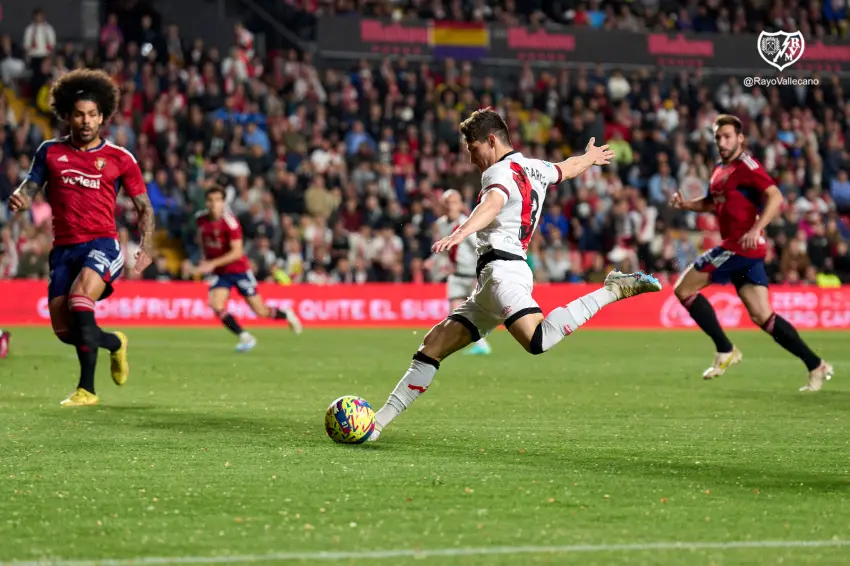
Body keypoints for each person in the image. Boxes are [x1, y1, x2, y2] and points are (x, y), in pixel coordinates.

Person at [368, 108, 662, 442]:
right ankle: (375, 425)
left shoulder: (498, 173)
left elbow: (492, 204)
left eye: (473, 148)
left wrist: (461, 231)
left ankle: (612, 290)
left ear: (491, 141)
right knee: (431, 346)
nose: (471, 157)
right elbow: (567, 169)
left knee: (538, 340)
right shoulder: (536, 167)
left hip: (503, 273)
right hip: (493, 280)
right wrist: (588, 157)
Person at [9, 68, 155, 407]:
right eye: (79, 114)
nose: (86, 120)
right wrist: (22, 197)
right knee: (65, 331)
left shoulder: (121, 158)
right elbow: (31, 184)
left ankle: (86, 390)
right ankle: (115, 344)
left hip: (103, 243)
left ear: (102, 117)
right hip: (63, 250)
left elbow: (144, 206)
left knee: (80, 299)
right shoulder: (49, 152)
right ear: (68, 116)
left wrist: (145, 246)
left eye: (92, 114)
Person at [670, 114, 832, 391]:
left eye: (728, 136)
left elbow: (775, 196)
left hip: (739, 247)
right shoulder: (720, 169)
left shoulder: (747, 165)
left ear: (740, 138)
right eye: (718, 137)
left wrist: (757, 227)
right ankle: (816, 366)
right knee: (762, 316)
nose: (722, 141)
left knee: (683, 290)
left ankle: (725, 349)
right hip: (744, 250)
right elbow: (713, 203)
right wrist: (686, 206)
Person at [195, 185, 302, 351]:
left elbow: (237, 252)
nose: (213, 204)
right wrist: (205, 259)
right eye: (210, 200)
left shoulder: (230, 223)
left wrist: (212, 263)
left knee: (261, 312)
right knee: (216, 305)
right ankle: (245, 336)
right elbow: (203, 239)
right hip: (221, 273)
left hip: (239, 271)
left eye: (217, 200)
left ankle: (286, 313)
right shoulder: (200, 219)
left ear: (223, 202)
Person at [428, 188, 492, 355]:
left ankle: (479, 341)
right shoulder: (441, 224)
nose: (450, 206)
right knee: (455, 311)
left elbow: (480, 248)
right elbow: (443, 247)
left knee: (475, 311)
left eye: (454, 202)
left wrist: (480, 273)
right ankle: (480, 343)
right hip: (456, 275)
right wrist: (432, 260)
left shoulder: (467, 224)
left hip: (472, 275)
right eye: (447, 203)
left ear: (461, 205)